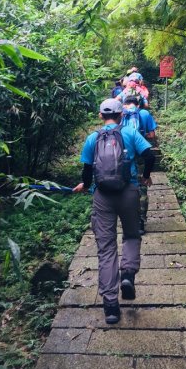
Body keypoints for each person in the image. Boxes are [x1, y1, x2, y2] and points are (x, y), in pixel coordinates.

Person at [73, 99, 155, 324]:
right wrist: (146, 176)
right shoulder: (129, 132)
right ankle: (127, 274)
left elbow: (87, 169)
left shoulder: (93, 138)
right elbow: (149, 155)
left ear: (100, 116)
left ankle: (110, 307)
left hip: (102, 197)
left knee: (106, 249)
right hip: (129, 191)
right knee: (131, 235)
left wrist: (84, 184)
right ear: (121, 116)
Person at [121, 96, 157, 234]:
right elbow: (152, 135)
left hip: (124, 155)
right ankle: (140, 222)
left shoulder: (121, 113)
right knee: (141, 188)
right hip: (142, 154)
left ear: (125, 104)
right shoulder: (144, 113)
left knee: (124, 186)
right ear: (138, 104)